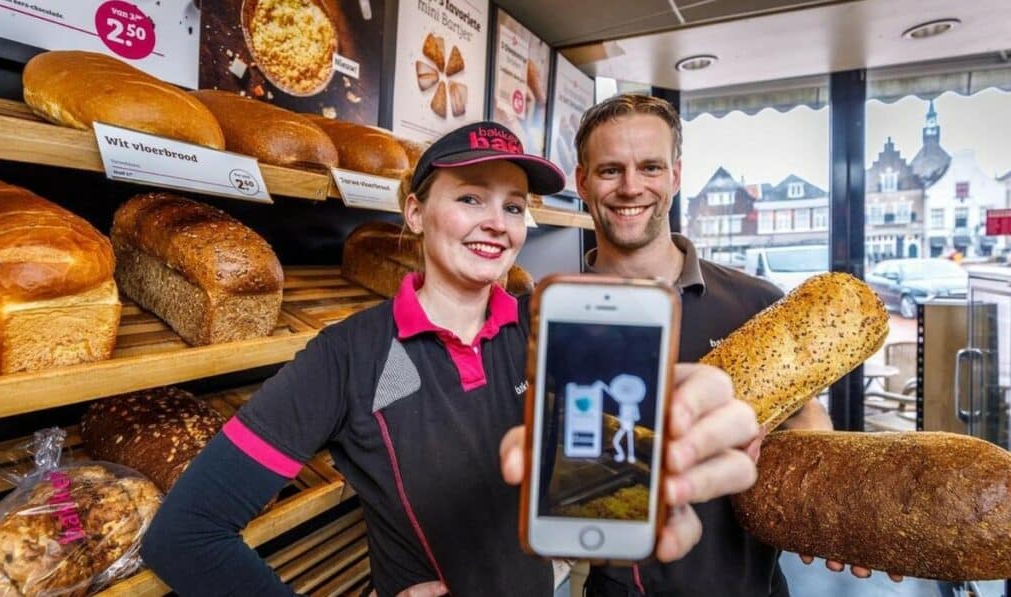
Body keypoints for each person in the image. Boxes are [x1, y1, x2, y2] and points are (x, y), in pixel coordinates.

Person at [140, 121, 761, 597]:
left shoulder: (550, 336)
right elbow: (184, 534)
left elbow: (597, 492)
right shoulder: (346, 357)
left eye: (514, 206)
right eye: (470, 198)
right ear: (414, 212)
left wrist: (645, 472)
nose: (497, 223)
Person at [510, 93, 894, 596]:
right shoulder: (546, 318)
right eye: (610, 170)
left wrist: (826, 502)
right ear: (582, 181)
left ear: (675, 174)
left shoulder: (757, 303)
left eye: (649, 167)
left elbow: (804, 414)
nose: (631, 187)